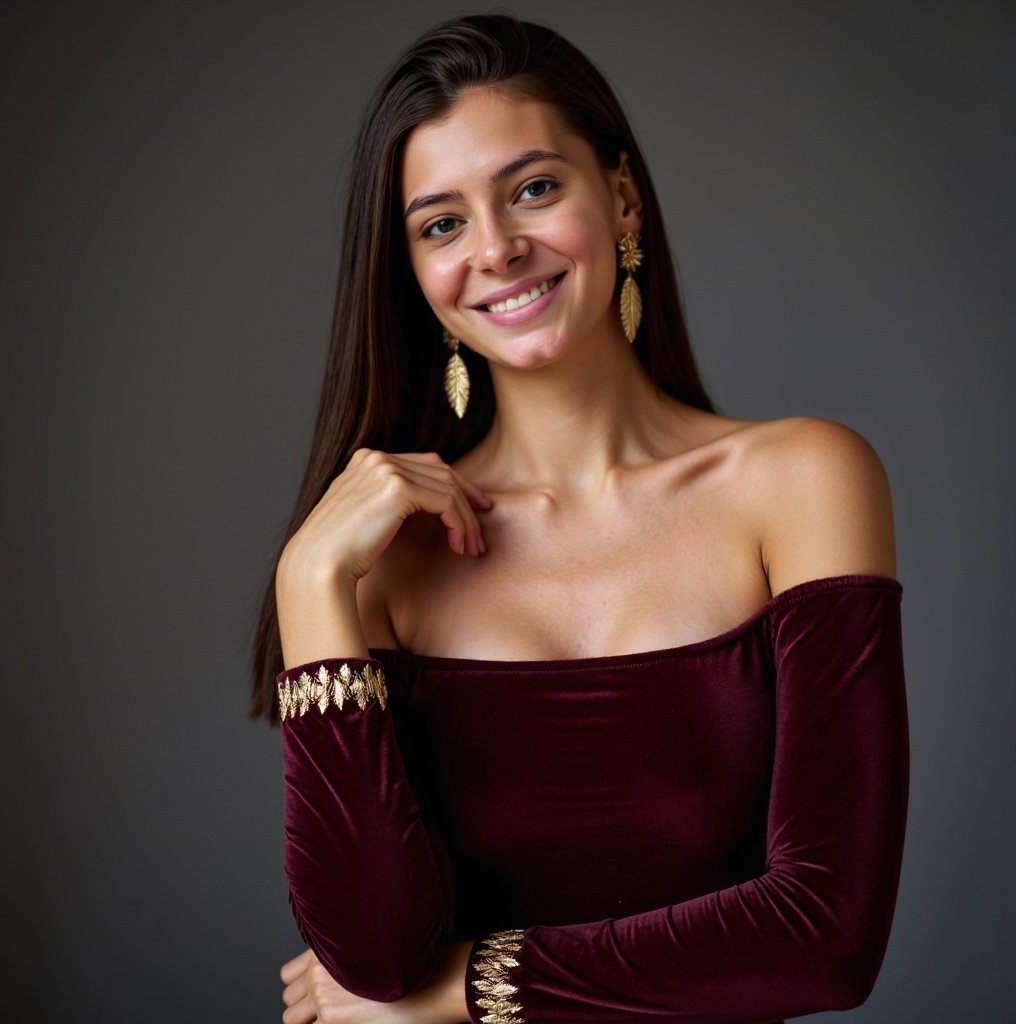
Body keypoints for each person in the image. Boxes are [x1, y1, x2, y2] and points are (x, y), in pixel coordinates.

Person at [250, 14, 908, 1024]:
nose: (498, 249)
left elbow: (825, 937)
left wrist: (460, 989)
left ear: (624, 199)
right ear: (415, 278)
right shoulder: (380, 563)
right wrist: (305, 581)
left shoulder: (803, 480)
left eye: (533, 188)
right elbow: (373, 958)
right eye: (441, 224)